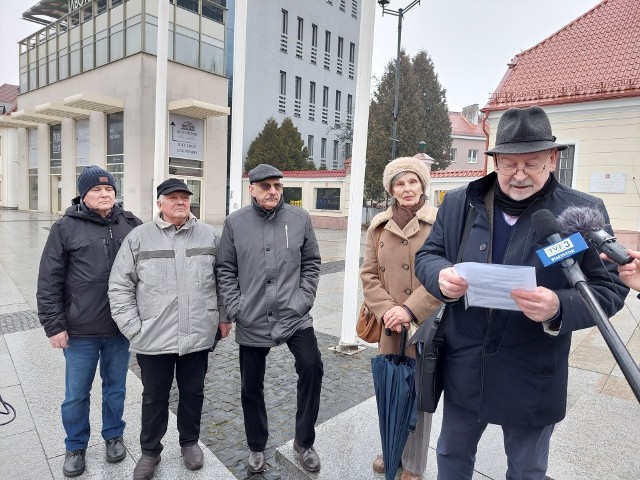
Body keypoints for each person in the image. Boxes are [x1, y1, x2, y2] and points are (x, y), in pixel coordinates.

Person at [414, 106, 629, 480]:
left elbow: (609, 288)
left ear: (553, 158)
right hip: (466, 361)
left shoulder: (582, 213)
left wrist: (558, 306)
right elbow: (428, 255)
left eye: (531, 163)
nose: (518, 175)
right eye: (508, 164)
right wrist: (440, 276)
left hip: (533, 366)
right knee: (451, 456)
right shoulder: (459, 202)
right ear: (494, 160)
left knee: (528, 468)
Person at [108, 178, 228, 480]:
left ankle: (189, 443)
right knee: (154, 397)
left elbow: (225, 280)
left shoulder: (209, 236)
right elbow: (120, 285)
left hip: (198, 335)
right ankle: (150, 451)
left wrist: (223, 318)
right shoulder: (139, 238)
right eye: (172, 197)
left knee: (193, 393)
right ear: (159, 203)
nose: (180, 202)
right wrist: (133, 328)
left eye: (185, 197)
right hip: (153, 338)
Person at [215, 164, 323, 474]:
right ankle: (256, 446)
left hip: (295, 315)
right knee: (251, 385)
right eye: (265, 186)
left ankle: (304, 441)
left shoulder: (299, 219)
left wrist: (303, 300)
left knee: (312, 366)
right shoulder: (235, 223)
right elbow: (225, 269)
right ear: (252, 189)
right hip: (252, 317)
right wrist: (237, 307)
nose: (273, 191)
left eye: (277, 185)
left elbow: (312, 262)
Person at [37, 166, 142, 478]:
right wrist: (54, 326)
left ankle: (113, 436)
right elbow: (49, 280)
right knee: (76, 393)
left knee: (115, 389)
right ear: (84, 194)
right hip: (80, 329)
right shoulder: (65, 228)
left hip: (119, 329)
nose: (105, 193)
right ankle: (75, 444)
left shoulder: (131, 224)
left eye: (109, 188)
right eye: (97, 190)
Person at [360, 157, 442, 480]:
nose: (407, 188)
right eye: (399, 183)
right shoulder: (378, 226)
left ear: (422, 185)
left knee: (419, 396)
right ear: (391, 189)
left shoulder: (439, 222)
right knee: (391, 390)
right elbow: (368, 275)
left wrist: (411, 309)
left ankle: (414, 464)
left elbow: (443, 276)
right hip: (391, 327)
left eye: (413, 181)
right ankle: (392, 446)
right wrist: (387, 311)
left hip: (425, 326)